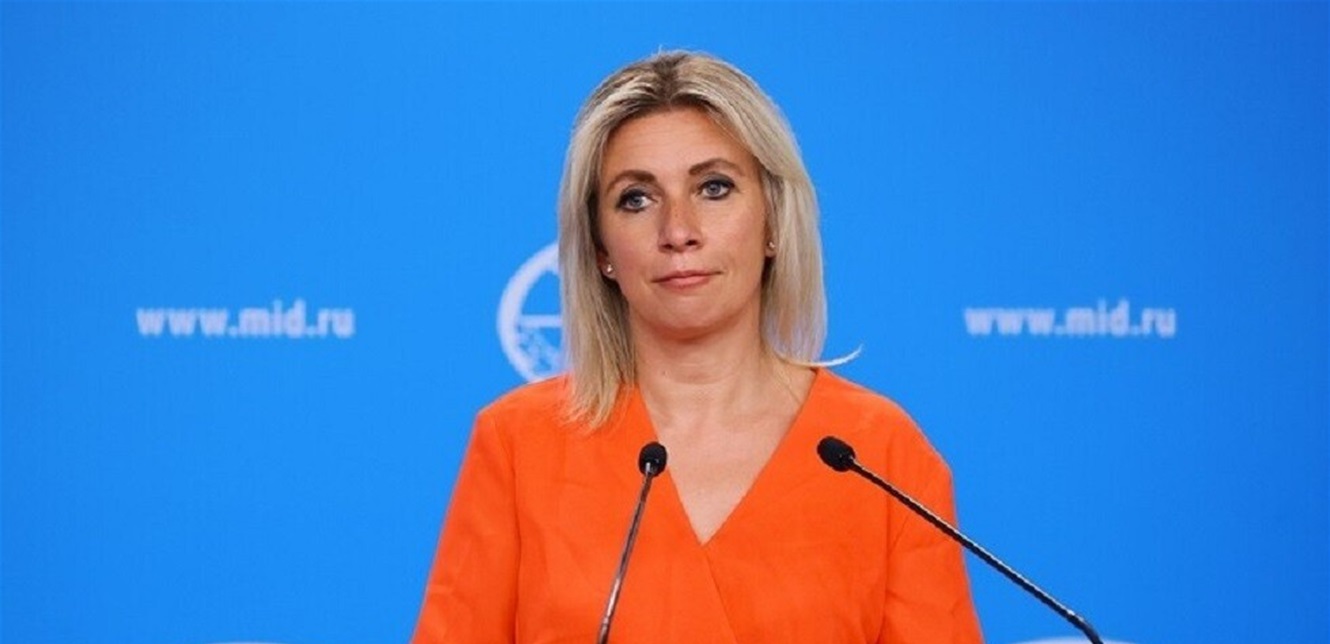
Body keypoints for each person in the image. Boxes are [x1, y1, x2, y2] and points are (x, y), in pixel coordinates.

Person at [411, 50, 983, 643]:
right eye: (636, 198)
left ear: (773, 222)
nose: (678, 231)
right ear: (602, 250)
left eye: (714, 188)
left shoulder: (880, 453)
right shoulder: (516, 444)